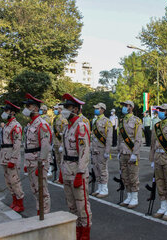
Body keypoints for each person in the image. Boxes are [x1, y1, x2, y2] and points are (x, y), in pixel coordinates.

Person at [59, 93, 92, 239]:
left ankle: (85, 233)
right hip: (67, 169)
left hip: (77, 171)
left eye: (69, 107)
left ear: (77, 109)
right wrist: (61, 169)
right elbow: (64, 151)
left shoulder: (81, 126)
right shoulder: (67, 127)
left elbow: (84, 152)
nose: (65, 110)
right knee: (71, 205)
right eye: (64, 107)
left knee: (82, 205)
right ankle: (76, 230)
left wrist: (80, 172)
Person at [22, 93, 52, 214]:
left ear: (35, 108)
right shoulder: (30, 125)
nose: (26, 109)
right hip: (31, 161)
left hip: (38, 162)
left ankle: (44, 214)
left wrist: (41, 164)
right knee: (35, 189)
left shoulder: (42, 124)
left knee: (42, 190)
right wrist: (26, 162)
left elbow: (45, 147)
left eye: (28, 106)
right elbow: (27, 146)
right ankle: (40, 211)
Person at [0, 100, 24, 212]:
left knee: (14, 180)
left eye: (6, 110)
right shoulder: (6, 125)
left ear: (13, 112)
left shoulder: (16, 126)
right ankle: (14, 200)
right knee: (8, 180)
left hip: (11, 156)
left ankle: (20, 202)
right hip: (5, 155)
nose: (4, 112)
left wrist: (13, 159)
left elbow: (17, 144)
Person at [118, 100, 142, 209]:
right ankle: (128, 195)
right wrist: (119, 151)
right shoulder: (122, 120)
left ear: (131, 107)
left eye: (125, 105)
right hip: (123, 152)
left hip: (131, 152)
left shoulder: (137, 121)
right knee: (125, 175)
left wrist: (135, 153)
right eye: (123, 105)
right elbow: (120, 138)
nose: (123, 107)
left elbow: (138, 139)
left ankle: (134, 197)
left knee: (133, 175)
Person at [91, 102, 113, 198]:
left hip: (102, 149)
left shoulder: (107, 121)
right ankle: (99, 187)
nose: (96, 109)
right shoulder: (95, 121)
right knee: (96, 168)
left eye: (98, 108)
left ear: (103, 110)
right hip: (95, 148)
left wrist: (107, 151)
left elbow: (109, 138)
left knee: (102, 169)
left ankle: (104, 189)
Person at [53, 104, 68, 182]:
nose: (54, 110)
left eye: (56, 109)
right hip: (55, 143)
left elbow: (64, 133)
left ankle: (63, 178)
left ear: (60, 109)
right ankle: (60, 177)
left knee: (62, 162)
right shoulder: (55, 118)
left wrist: (62, 145)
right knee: (58, 161)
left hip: (60, 144)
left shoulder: (63, 119)